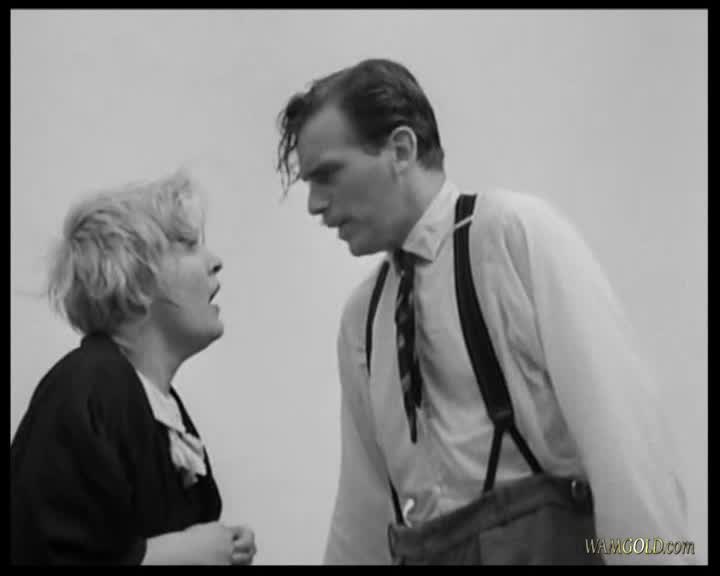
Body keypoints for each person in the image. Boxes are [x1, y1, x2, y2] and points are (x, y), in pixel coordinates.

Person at [276, 58, 690, 564]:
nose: (315, 205)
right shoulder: (364, 317)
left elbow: (626, 446)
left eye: (327, 175)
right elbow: (362, 514)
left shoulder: (511, 236)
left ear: (401, 150)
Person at [10, 170, 256, 565]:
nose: (215, 262)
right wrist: (185, 552)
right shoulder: (87, 387)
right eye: (189, 244)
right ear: (136, 278)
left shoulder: (157, 406)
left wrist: (221, 546)